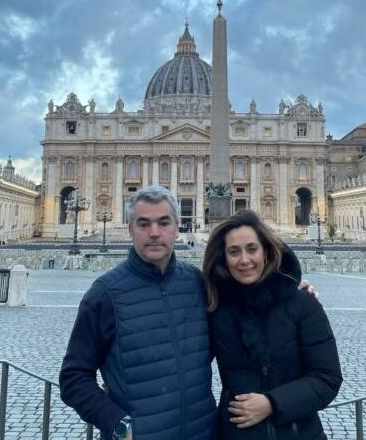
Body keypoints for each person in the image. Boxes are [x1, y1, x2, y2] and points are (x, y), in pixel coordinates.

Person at [60, 185, 216, 440]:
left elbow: (229, 338)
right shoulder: (104, 295)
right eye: (144, 224)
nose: (154, 232)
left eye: (163, 223)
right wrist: (118, 425)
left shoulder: (197, 283)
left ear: (176, 228)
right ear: (130, 229)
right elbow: (73, 378)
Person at [203, 210, 342, 440]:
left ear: (266, 251)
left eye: (252, 249)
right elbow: (186, 365)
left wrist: (272, 403)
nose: (244, 260)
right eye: (234, 252)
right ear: (224, 258)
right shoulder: (215, 308)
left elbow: (327, 378)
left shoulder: (302, 303)